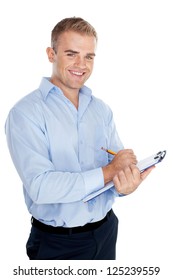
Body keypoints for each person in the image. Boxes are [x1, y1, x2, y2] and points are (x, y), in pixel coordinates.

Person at [5, 17, 154, 260]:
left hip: (106, 231)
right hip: (58, 243)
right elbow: (41, 187)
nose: (80, 64)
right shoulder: (25, 113)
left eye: (89, 56)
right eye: (71, 53)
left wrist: (126, 184)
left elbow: (115, 172)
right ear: (51, 54)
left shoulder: (101, 110)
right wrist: (109, 171)